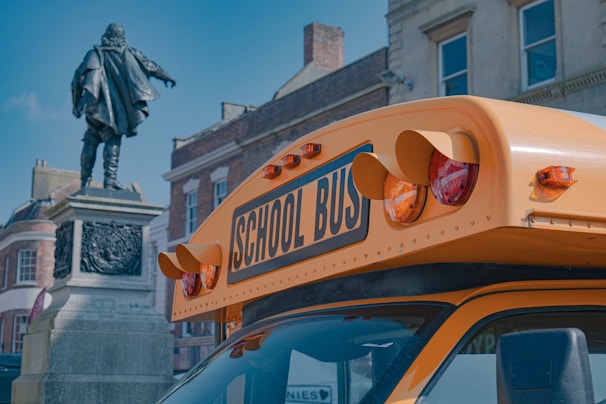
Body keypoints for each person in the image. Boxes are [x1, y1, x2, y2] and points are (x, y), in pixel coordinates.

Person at [71, 23, 176, 190]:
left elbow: (77, 80)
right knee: (112, 138)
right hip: (113, 111)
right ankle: (110, 179)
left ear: (106, 36)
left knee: (90, 139)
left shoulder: (94, 54)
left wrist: (76, 105)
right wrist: (167, 77)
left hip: (94, 108)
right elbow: (151, 66)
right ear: (122, 38)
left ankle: (84, 180)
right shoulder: (131, 53)